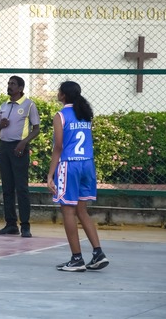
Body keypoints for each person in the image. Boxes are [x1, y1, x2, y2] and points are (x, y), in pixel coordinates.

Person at [47, 81, 109, 272]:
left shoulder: (61, 115)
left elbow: (58, 146)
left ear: (63, 95)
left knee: (68, 211)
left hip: (70, 165)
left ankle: (76, 259)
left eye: (59, 91)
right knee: (82, 211)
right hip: (87, 164)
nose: (57, 93)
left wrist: (50, 174)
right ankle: (98, 253)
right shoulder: (85, 114)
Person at [0, 76, 40, 238]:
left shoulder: (29, 105)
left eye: (13, 84)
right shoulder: (3, 105)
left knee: (21, 187)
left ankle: (25, 225)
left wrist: (23, 143)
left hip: (19, 148)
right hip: (4, 147)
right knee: (7, 187)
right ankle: (11, 224)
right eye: (8, 83)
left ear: (20, 88)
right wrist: (0, 126)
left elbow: (36, 129)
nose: (9, 86)